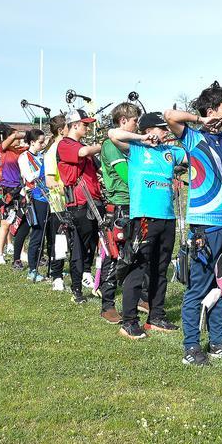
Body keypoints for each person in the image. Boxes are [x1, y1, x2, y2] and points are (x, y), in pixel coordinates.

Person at [164, 84, 222, 366]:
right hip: (203, 226)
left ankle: (216, 341)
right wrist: (201, 120)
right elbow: (169, 116)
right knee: (197, 289)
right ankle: (191, 346)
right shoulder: (193, 138)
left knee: (220, 286)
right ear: (211, 111)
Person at [109, 112, 187, 339]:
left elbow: (192, 154)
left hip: (167, 218)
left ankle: (156, 316)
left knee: (160, 269)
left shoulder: (170, 152)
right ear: (150, 130)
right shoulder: (136, 149)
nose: (166, 132)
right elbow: (113, 134)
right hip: (144, 217)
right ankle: (130, 321)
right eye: (162, 128)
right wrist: (143, 139)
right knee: (138, 268)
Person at [98, 103, 141, 323]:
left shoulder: (130, 144)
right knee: (115, 257)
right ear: (123, 121)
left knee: (137, 254)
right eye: (135, 121)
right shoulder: (110, 145)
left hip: (136, 205)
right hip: (120, 207)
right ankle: (107, 304)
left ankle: (138, 296)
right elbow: (127, 175)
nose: (137, 125)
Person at [57, 109, 103, 304]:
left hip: (94, 200)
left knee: (93, 245)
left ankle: (89, 276)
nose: (88, 127)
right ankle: (76, 288)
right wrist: (101, 145)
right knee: (79, 248)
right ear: (74, 125)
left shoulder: (82, 146)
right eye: (85, 124)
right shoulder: (65, 144)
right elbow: (83, 152)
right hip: (79, 203)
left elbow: (97, 166)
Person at [16, 129, 50, 281]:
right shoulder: (24, 157)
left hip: (47, 197)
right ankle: (32, 269)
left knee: (46, 234)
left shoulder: (43, 156)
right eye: (40, 142)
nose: (43, 145)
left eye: (44, 142)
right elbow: (29, 176)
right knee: (36, 233)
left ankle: (46, 265)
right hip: (33, 198)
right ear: (32, 142)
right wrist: (43, 172)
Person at [0, 123, 26, 265]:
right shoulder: (3, 149)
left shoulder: (22, 150)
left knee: (21, 221)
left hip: (20, 188)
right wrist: (15, 135)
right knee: (5, 222)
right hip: (7, 189)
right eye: (14, 137)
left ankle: (21, 251)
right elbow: (7, 141)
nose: (18, 139)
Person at [44, 114, 68, 291]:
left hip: (75, 203)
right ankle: (57, 276)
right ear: (61, 130)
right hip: (59, 204)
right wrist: (65, 189)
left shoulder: (69, 148)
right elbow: (50, 181)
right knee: (59, 241)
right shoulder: (53, 151)